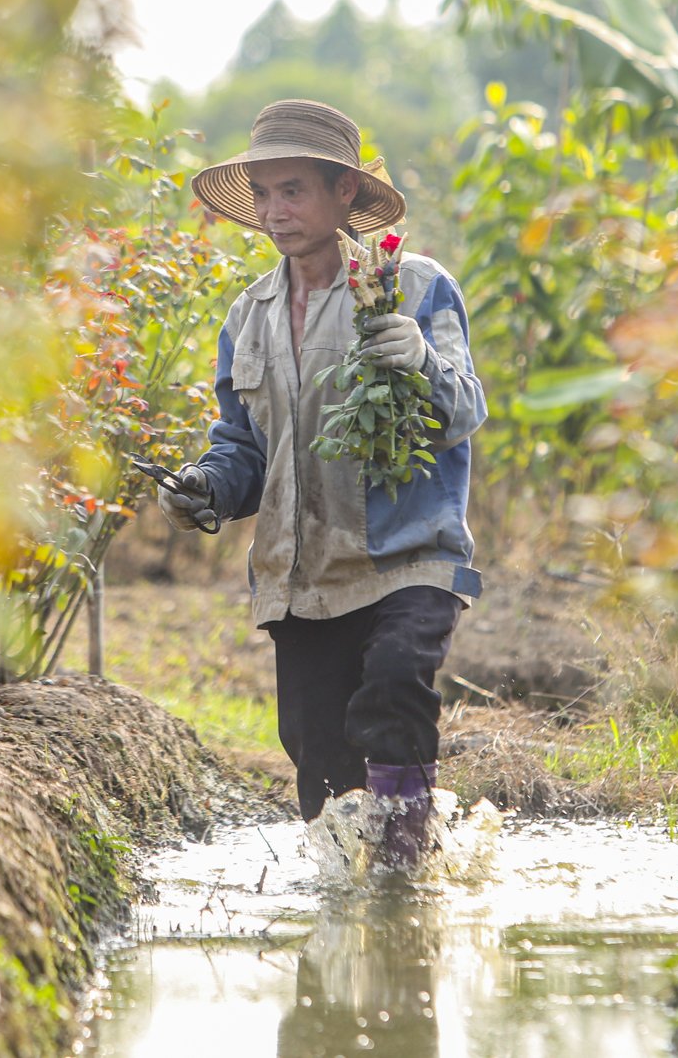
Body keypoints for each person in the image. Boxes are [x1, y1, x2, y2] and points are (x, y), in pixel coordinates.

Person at [158, 98, 487, 864]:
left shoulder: (414, 286)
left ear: (345, 194)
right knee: (316, 753)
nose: (276, 212)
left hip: (408, 556)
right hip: (304, 575)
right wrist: (204, 486)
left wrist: (422, 361)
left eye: (294, 190)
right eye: (265, 194)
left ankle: (407, 876)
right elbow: (242, 447)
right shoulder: (249, 317)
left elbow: (466, 408)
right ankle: (350, 894)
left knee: (395, 686)